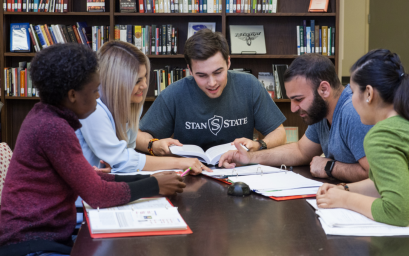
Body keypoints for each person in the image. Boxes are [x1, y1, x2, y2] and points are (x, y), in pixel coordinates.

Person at [0, 44, 186, 256]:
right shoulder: (53, 128)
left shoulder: (47, 117)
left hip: (46, 238)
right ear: (72, 95)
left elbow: (91, 180)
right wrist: (154, 185)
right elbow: (97, 194)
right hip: (31, 245)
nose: (99, 97)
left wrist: (153, 180)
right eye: (95, 90)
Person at [316, 49, 409, 245]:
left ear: (368, 93)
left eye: (352, 92)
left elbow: (399, 211)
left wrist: (344, 200)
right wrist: (345, 189)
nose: (351, 100)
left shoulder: (381, 136)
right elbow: (392, 184)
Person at [219, 53, 372, 182]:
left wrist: (330, 167)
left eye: (298, 99)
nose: (293, 108)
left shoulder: (352, 112)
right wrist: (249, 157)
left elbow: (375, 176)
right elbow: (301, 151)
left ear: (324, 89)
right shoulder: (321, 112)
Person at [137, 29, 286, 159]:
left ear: (228, 62)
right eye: (202, 75)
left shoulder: (249, 85)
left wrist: (259, 145)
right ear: (190, 70)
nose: (212, 82)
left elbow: (279, 132)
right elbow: (137, 136)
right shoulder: (174, 93)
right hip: (189, 174)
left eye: (218, 72)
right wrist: (153, 145)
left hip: (239, 170)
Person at [76, 41, 210, 174]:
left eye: (145, 77)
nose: (145, 85)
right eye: (137, 81)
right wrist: (179, 162)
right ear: (116, 83)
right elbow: (123, 159)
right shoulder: (93, 111)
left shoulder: (131, 105)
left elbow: (123, 158)